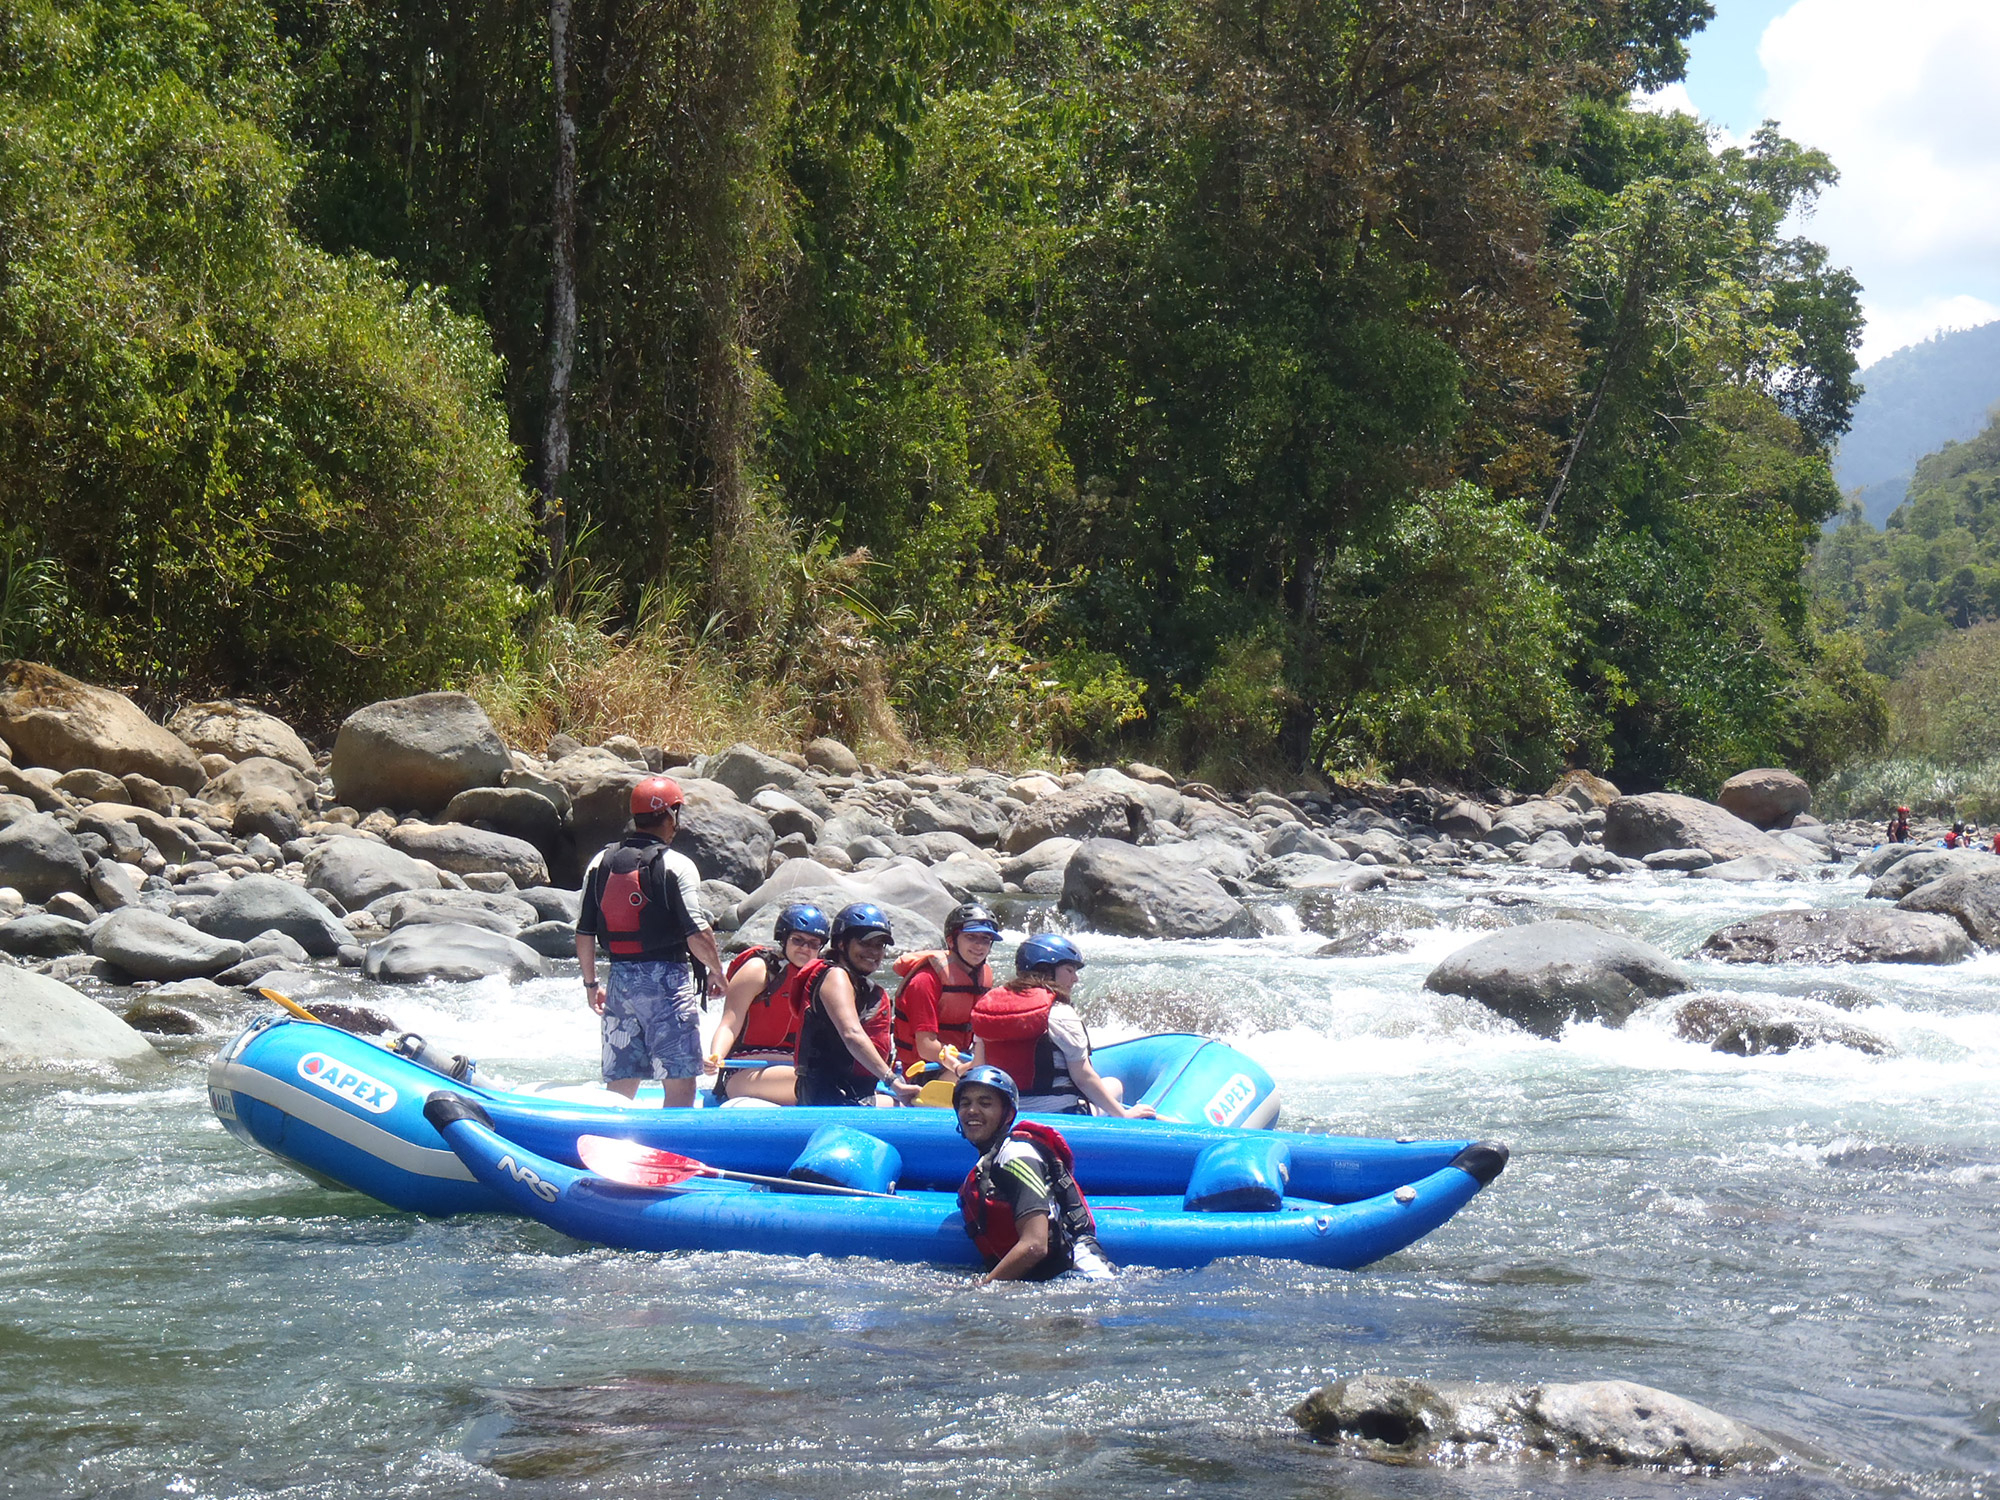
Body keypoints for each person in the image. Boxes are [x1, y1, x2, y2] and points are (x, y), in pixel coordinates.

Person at [574, 776, 725, 1107]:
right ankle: (674, 1138)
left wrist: (591, 984)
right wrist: (717, 971)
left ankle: (612, 1133)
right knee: (680, 1084)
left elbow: (584, 931)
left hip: (619, 984)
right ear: (670, 815)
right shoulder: (677, 864)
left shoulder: (600, 862)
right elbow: (697, 931)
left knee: (622, 1081)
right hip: (667, 986)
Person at [953, 1064, 1115, 1283]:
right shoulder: (989, 1164)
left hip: (1082, 1277)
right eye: (965, 1103)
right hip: (1050, 1281)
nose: (972, 1110)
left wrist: (982, 1288)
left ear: (1007, 1114)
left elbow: (1035, 1245)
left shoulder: (1016, 1155)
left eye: (985, 1103)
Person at [970, 934, 1156, 1119]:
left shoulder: (988, 1008)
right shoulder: (1060, 1013)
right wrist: (1123, 1113)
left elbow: (978, 1068)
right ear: (1045, 969)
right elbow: (1083, 1079)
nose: (1075, 979)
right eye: (1069, 970)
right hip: (1059, 1116)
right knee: (1114, 1085)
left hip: (1004, 1116)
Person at [792, 902, 921, 1107]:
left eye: (879, 945)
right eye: (864, 943)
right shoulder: (835, 976)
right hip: (829, 1097)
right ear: (842, 944)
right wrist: (893, 1081)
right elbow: (851, 1034)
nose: (873, 952)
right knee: (909, 1107)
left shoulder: (860, 985)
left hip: (851, 1092)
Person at [706, 902, 829, 1105]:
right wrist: (716, 1055)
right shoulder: (758, 970)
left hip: (794, 1067)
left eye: (813, 944)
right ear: (784, 939)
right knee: (815, 1083)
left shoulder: (824, 977)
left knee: (829, 1078)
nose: (805, 948)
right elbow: (729, 1023)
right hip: (745, 1071)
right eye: (798, 940)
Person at [890, 901, 1000, 1076]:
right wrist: (959, 1067)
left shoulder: (983, 975)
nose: (979, 946)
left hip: (961, 1059)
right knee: (979, 1078)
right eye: (971, 937)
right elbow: (926, 1047)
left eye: (985, 939)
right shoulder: (925, 980)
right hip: (920, 1069)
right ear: (951, 941)